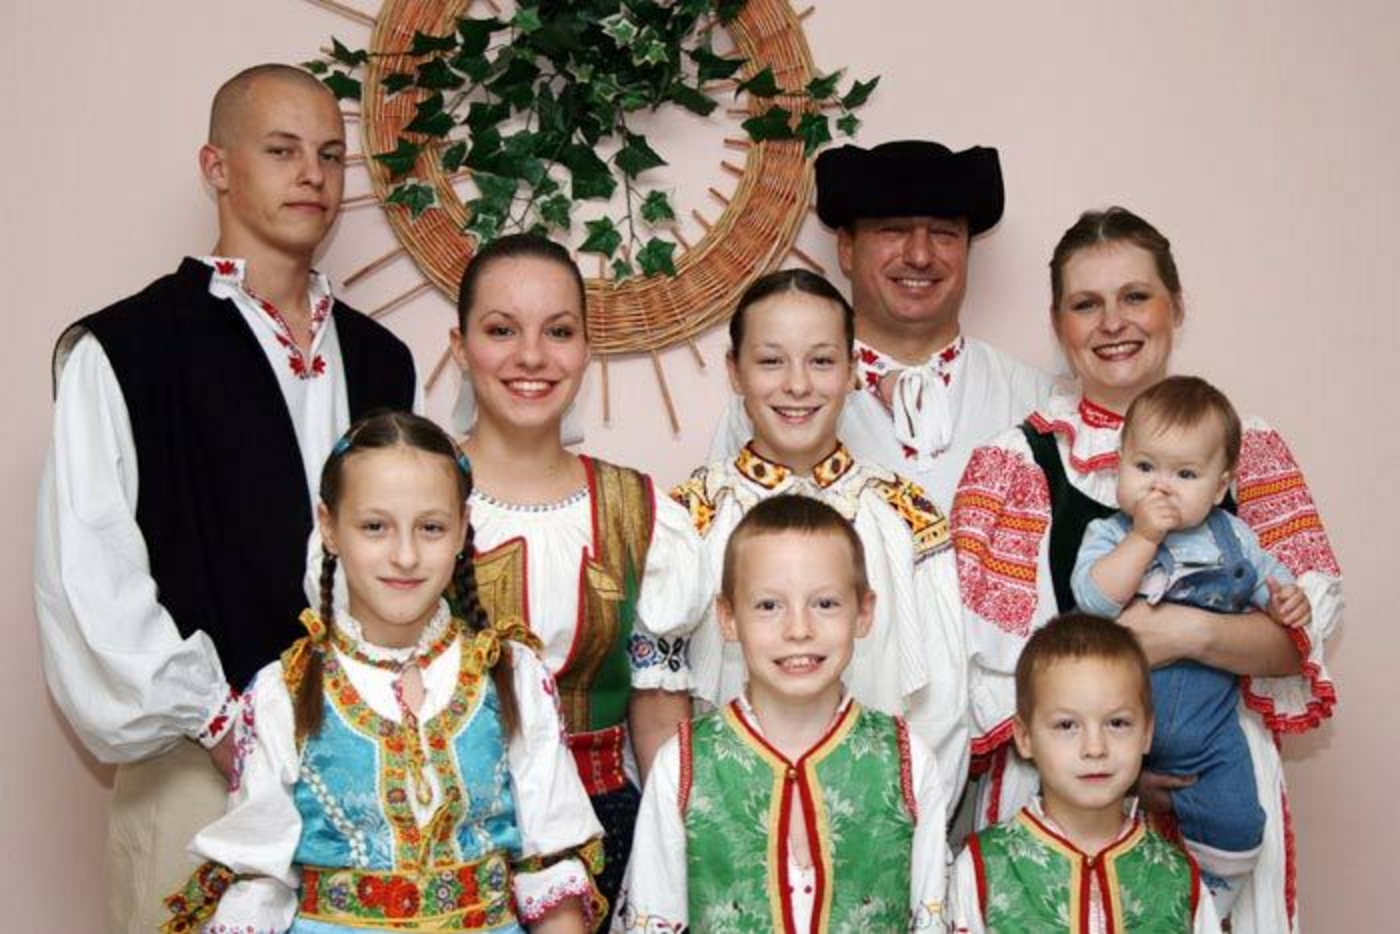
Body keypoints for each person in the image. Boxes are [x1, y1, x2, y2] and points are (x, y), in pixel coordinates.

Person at [33, 64, 418, 933]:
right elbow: (89, 571)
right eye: (281, 151)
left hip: (363, 766)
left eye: (330, 155)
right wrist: (223, 724)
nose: (312, 175)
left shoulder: (384, 361)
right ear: (217, 167)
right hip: (194, 771)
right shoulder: (124, 349)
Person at [951, 207, 1340, 932]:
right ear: (1057, 323)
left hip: (1216, 774)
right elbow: (998, 667)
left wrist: (1184, 632)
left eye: (1136, 296)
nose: (1113, 323)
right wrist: (1117, 761)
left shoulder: (1247, 450)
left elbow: (1297, 640)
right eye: (1085, 304)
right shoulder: (1015, 464)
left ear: (1176, 306)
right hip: (1063, 789)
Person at [164, 412, 603, 932]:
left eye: (431, 528)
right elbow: (258, 883)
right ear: (329, 527)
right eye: (375, 527)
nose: (405, 556)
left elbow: (550, 869)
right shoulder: (285, 691)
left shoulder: (511, 675)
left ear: (463, 529)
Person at [449, 233, 710, 922]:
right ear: (460, 347)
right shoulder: (412, 495)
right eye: (501, 330)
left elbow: (660, 723)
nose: (532, 356)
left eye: (558, 331)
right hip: (449, 837)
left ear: (587, 350)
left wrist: (675, 868)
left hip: (603, 832)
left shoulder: (641, 513)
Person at [672, 268, 968, 801]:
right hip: (724, 815)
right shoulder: (688, 520)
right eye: (771, 361)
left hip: (875, 816)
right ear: (734, 371)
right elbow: (664, 697)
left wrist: (905, 821)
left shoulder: (906, 516)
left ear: (852, 371)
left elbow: (941, 706)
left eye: (822, 361)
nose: (798, 385)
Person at [615, 495, 950, 932]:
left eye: (825, 604)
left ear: (864, 613)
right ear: (728, 618)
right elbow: (653, 918)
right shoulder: (682, 766)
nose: (798, 630)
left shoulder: (908, 763)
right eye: (768, 606)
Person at [1071, 375, 1313, 910]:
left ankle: (1209, 903)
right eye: (1144, 467)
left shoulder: (1234, 537)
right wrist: (1144, 537)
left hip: (1211, 732)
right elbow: (1096, 601)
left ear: (1220, 486)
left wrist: (1287, 601)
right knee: (1102, 849)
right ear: (1118, 464)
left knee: (1240, 824)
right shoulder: (1110, 535)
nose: (1161, 488)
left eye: (1184, 474)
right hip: (1117, 732)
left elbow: (1270, 583)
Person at [710, 140, 1051, 510]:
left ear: (968, 249)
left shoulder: (1035, 400)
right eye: (894, 230)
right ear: (846, 249)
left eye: (943, 233)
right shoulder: (769, 407)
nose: (920, 256)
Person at [949, 613, 1222, 933]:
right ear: (1025, 737)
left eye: (1117, 723)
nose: (1095, 748)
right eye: (1067, 725)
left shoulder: (1178, 880)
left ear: (1147, 733)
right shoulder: (985, 868)